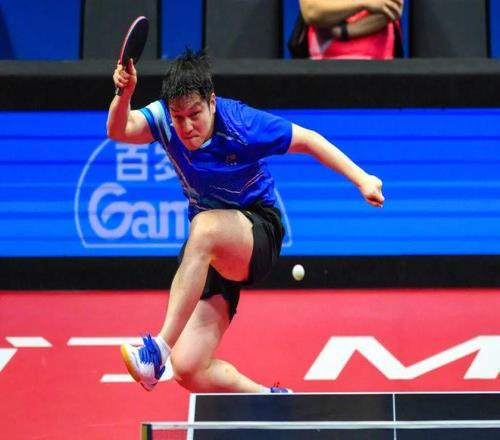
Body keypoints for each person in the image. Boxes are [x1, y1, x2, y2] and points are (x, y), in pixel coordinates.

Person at [107, 49, 384, 393]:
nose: (187, 127)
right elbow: (119, 130)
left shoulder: (242, 124)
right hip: (212, 249)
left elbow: (309, 140)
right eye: (179, 117)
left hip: (258, 231)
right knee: (189, 368)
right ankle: (270, 400)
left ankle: (157, 351)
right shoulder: (164, 119)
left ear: (211, 102)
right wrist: (124, 94)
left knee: (203, 229)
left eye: (195, 114)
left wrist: (362, 179)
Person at [299, 0, 404, 59]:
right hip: (325, 66)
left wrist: (345, 31)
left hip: (378, 65)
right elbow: (312, 12)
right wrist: (365, 2)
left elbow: (393, 7)